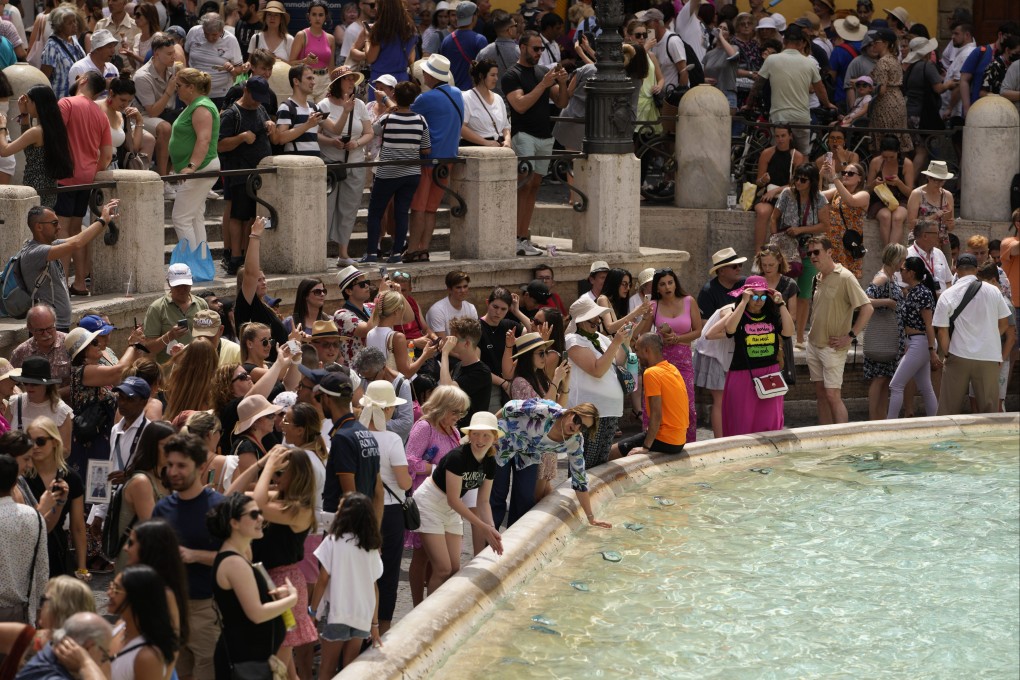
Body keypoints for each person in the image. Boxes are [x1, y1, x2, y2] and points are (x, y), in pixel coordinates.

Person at [151, 433, 224, 680]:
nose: (173, 471)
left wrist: (195, 555)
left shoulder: (218, 507)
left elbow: (239, 558)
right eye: (170, 465)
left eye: (181, 465)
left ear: (201, 467)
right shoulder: (162, 508)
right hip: (170, 608)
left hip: (206, 607)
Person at [207, 493, 296, 680]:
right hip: (244, 663)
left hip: (251, 660)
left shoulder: (239, 557)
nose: (261, 519)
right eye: (254, 515)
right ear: (234, 523)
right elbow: (256, 613)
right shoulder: (233, 562)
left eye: (260, 513)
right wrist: (291, 600)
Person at [412, 410, 502, 594]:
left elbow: (483, 501)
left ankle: (439, 611)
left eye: (486, 435)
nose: (480, 439)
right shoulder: (458, 457)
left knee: (454, 569)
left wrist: (491, 529)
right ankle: (429, 613)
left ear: (494, 438)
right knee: (443, 568)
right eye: (475, 433)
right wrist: (483, 528)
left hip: (451, 509)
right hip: (431, 502)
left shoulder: (490, 462)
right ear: (469, 435)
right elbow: (454, 500)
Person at [494, 398, 610, 528]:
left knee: (525, 499)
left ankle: (511, 543)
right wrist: (486, 430)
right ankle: (487, 544)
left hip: (528, 455)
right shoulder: (548, 410)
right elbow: (508, 408)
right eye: (577, 420)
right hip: (502, 443)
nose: (576, 427)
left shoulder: (575, 442)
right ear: (571, 412)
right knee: (497, 496)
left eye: (582, 427)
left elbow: (580, 480)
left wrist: (591, 518)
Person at [503, 30, 568, 257]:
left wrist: (563, 82)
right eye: (535, 48)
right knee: (524, 185)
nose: (540, 53)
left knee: (535, 187)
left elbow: (561, 101)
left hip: (544, 136)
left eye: (541, 49)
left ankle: (522, 237)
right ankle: (513, 237)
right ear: (522, 48)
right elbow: (519, 105)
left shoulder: (542, 72)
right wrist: (543, 84)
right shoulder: (512, 74)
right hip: (524, 135)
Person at [401, 385, 468, 605]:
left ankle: (430, 603)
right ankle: (418, 604)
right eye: (455, 412)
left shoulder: (453, 431)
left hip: (445, 501)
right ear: (442, 408)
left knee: (435, 561)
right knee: (422, 557)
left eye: (462, 412)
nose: (458, 417)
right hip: (425, 497)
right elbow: (410, 461)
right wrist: (436, 468)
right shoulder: (425, 427)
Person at [11, 201, 119, 334]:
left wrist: (105, 220)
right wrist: (102, 220)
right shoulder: (35, 252)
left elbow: (80, 238)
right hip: (47, 328)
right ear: (39, 227)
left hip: (58, 326)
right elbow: (77, 243)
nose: (59, 227)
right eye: (54, 223)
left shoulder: (51, 245)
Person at [354, 381, 410, 633]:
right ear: (387, 410)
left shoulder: (354, 436)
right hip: (390, 513)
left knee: (362, 571)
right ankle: (383, 627)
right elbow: (403, 481)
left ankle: (363, 625)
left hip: (360, 511)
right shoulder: (392, 440)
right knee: (388, 573)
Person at [310, 492, 383, 677]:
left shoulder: (333, 541)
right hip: (362, 616)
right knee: (350, 670)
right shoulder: (371, 547)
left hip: (337, 613)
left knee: (327, 668)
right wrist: (374, 625)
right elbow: (374, 587)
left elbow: (322, 580)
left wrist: (312, 612)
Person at [804, 236, 874, 424]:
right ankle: (824, 437)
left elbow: (867, 308)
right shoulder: (816, 278)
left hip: (833, 347)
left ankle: (842, 440)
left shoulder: (845, 277)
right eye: (809, 253)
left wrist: (850, 336)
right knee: (820, 394)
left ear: (829, 252)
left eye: (816, 252)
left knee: (833, 395)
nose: (812, 256)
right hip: (814, 344)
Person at [56, 72, 113, 296]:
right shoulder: (101, 116)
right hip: (85, 180)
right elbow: (107, 156)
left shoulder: (66, 103)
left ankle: (60, 286)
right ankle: (80, 282)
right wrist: (90, 171)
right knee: (77, 229)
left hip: (64, 178)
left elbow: (54, 136)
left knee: (61, 231)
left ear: (83, 81)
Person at [934, 254, 1011, 415]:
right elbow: (1004, 324)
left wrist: (948, 354)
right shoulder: (994, 291)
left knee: (948, 411)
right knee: (989, 413)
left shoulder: (947, 295)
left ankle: (947, 441)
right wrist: (988, 338)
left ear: (955, 269)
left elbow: (942, 331)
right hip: (988, 356)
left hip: (958, 354)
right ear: (976, 269)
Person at [405, 55, 465, 263]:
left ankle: (412, 249)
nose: (423, 76)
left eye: (426, 73)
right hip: (448, 159)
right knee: (431, 208)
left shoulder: (425, 98)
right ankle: (424, 249)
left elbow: (404, 112)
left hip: (427, 159)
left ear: (430, 75)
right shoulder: (457, 93)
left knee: (418, 208)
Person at [363, 80, 430, 263]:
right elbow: (426, 149)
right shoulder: (420, 120)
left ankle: (371, 253)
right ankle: (396, 254)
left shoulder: (388, 118)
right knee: (401, 213)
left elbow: (373, 130)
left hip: (387, 172)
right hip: (411, 173)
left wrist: (386, 109)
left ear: (394, 96)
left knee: (376, 212)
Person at [65, 323, 143, 475]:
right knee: (96, 491)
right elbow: (118, 371)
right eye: (94, 343)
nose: (99, 344)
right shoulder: (84, 371)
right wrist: (132, 345)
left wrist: (137, 348)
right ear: (83, 351)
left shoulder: (93, 369)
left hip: (102, 437)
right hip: (93, 441)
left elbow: (122, 376)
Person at [217, 76, 276, 277]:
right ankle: (235, 257)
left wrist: (269, 123)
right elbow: (220, 144)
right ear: (246, 91)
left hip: (259, 173)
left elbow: (266, 122)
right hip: (240, 171)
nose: (258, 102)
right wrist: (242, 138)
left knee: (253, 216)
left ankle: (247, 254)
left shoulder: (260, 108)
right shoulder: (232, 114)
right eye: (256, 97)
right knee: (238, 216)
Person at [634, 268, 700, 444]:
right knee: (655, 405)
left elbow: (698, 331)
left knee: (688, 405)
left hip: (684, 360)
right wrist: (644, 321)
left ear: (675, 283)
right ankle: (653, 443)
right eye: (662, 284)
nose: (667, 287)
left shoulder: (689, 301)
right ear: (657, 288)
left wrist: (678, 338)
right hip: (660, 360)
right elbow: (644, 334)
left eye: (670, 282)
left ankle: (688, 444)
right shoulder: (654, 306)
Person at [748, 24, 836, 155]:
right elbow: (820, 88)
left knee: (778, 154)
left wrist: (748, 104)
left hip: (779, 116)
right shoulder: (809, 62)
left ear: (784, 41)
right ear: (801, 42)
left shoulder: (772, 60)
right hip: (801, 117)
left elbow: (757, 85)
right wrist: (827, 104)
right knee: (803, 154)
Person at [318, 66, 372, 267]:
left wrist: (357, 143)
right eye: (347, 79)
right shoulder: (323, 105)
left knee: (349, 208)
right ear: (337, 83)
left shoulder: (359, 105)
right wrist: (332, 142)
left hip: (355, 161)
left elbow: (369, 132)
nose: (351, 83)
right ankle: (319, 251)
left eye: (353, 79)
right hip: (331, 164)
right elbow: (315, 133)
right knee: (327, 207)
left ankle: (343, 253)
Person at [506, 333, 569, 499]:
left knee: (545, 492)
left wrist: (565, 384)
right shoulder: (520, 382)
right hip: (533, 447)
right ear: (528, 356)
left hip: (546, 444)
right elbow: (542, 410)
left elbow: (558, 409)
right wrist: (556, 380)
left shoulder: (539, 378)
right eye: (541, 353)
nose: (545, 357)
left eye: (545, 352)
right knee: (535, 497)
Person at [24, 417, 85, 580]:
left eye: (41, 441)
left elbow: (78, 526)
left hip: (57, 549)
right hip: (26, 550)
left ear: (55, 442)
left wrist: (83, 567)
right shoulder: (22, 477)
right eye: (30, 442)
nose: (35, 447)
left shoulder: (71, 478)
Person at [609, 333, 688, 458]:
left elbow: (656, 414)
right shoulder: (672, 368)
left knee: (609, 453)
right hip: (680, 440)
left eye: (637, 350)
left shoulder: (651, 373)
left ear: (647, 350)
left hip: (665, 440)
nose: (635, 355)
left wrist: (645, 447)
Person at [169, 68, 220, 260]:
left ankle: (191, 265)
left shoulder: (201, 107)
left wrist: (191, 167)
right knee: (195, 217)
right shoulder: (197, 105)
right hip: (201, 168)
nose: (177, 90)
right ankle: (202, 263)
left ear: (191, 87)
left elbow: (204, 140)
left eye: (179, 86)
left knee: (180, 218)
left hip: (200, 168)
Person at [694, 248, 746, 437]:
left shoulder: (744, 284)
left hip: (734, 350)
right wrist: (734, 330)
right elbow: (705, 327)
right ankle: (719, 440)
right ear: (721, 270)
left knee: (734, 398)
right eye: (734, 266)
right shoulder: (708, 291)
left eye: (740, 265)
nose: (739, 268)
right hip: (714, 351)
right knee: (720, 398)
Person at [108, 421, 173, 571]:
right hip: (137, 563)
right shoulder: (141, 482)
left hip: (157, 559)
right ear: (151, 446)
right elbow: (153, 529)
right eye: (166, 446)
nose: (171, 451)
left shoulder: (165, 477)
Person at [318, 371, 382, 522]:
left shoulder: (342, 438)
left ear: (327, 399)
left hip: (346, 531)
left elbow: (350, 497)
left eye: (319, 397)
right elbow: (379, 492)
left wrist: (356, 536)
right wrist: (374, 534)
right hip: (364, 529)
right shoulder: (365, 432)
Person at [0, 85, 73, 209]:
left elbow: (4, 151)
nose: (26, 104)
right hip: (48, 190)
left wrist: (2, 127)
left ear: (36, 103)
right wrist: (24, 114)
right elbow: (29, 147)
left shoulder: (36, 132)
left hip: (34, 192)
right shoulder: (53, 128)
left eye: (28, 102)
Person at [886, 256, 940, 419]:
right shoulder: (913, 291)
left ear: (911, 272)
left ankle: (889, 425)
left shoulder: (922, 293)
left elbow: (929, 324)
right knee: (925, 387)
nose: (900, 272)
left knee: (896, 385)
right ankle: (935, 422)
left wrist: (932, 350)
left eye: (902, 269)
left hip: (921, 342)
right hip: (917, 342)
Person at [106, 565, 178, 680]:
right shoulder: (121, 626)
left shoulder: (147, 657)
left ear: (137, 597)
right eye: (111, 586)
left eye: (116, 589)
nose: (109, 593)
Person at [0, 454, 48, 623]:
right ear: (15, 483)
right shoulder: (34, 516)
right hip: (23, 612)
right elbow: (42, 568)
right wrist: (42, 608)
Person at [132, 32, 178, 180]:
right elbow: (153, 111)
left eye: (174, 53)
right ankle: (163, 179)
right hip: (143, 116)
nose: (174, 57)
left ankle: (181, 175)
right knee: (165, 128)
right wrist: (169, 91)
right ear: (157, 54)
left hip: (168, 113)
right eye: (169, 54)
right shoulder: (142, 76)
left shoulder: (174, 68)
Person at [752, 125, 805, 251]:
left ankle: (782, 255)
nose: (780, 139)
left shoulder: (797, 156)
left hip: (787, 195)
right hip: (768, 195)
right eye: (777, 136)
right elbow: (758, 182)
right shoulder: (767, 153)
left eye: (783, 136)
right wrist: (763, 180)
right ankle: (758, 254)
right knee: (762, 212)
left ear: (790, 136)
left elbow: (797, 183)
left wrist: (776, 190)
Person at [17, 612, 112, 680]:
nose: (103, 663)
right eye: (104, 656)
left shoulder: (48, 653)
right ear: (88, 647)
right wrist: (85, 662)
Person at [477, 288, 526, 410]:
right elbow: (476, 366)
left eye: (503, 309)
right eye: (495, 307)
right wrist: (503, 383)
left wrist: (517, 312)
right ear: (487, 303)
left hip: (511, 383)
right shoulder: (476, 328)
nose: (498, 312)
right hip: (488, 384)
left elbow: (534, 335)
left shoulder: (509, 325)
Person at [438, 318, 492, 429]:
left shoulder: (481, 373)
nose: (450, 342)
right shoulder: (459, 366)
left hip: (470, 435)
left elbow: (447, 390)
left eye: (455, 339)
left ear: (466, 343)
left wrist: (445, 353)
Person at [821, 160, 869, 280]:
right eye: (844, 172)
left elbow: (851, 200)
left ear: (860, 178)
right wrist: (820, 176)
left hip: (848, 245)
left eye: (851, 173)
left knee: (846, 282)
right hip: (832, 243)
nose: (846, 175)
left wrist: (834, 177)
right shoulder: (836, 191)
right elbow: (818, 197)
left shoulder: (864, 195)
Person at [184, 13, 244, 108]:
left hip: (220, 95)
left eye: (214, 35)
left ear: (221, 30)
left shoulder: (230, 40)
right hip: (194, 93)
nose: (210, 38)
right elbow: (185, 54)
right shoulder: (194, 32)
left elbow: (240, 69)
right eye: (206, 34)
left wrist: (231, 68)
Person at [905, 161, 955, 264]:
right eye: (935, 180)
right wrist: (934, 216)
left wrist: (950, 223)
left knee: (945, 272)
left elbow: (951, 226)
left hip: (941, 240)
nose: (938, 184)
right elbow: (911, 223)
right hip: (921, 240)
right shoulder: (917, 194)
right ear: (928, 177)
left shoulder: (948, 196)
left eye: (942, 181)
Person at [333, 266, 379, 365]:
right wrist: (380, 300)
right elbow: (368, 330)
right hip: (356, 371)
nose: (367, 286)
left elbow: (408, 317)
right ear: (349, 291)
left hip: (375, 367)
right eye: (362, 284)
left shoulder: (371, 307)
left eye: (367, 282)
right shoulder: (341, 315)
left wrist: (397, 294)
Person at [41, 6, 87, 99]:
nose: (75, 24)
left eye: (75, 21)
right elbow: (44, 78)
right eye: (70, 23)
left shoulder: (73, 38)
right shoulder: (52, 46)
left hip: (77, 98)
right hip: (60, 99)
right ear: (59, 27)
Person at [475, 10, 518, 95]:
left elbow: (476, 77)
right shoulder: (520, 52)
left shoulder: (483, 52)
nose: (517, 27)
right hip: (516, 102)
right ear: (510, 30)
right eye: (515, 25)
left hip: (490, 102)